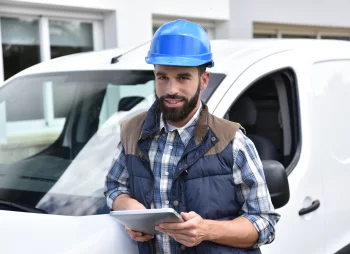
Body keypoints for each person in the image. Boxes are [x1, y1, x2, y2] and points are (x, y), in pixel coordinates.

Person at [104, 19, 280, 254]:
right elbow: (114, 188)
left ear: (203, 81)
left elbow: (264, 224)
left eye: (183, 77)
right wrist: (132, 213)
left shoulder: (234, 143)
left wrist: (206, 230)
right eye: (162, 77)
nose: (171, 89)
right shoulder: (131, 133)